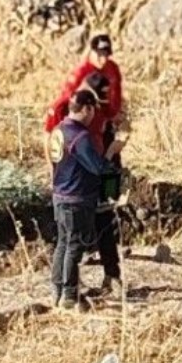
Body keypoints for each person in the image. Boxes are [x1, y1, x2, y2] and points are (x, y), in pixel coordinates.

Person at [48, 90, 124, 310]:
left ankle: (57, 289)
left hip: (60, 195)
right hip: (76, 197)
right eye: (93, 110)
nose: (94, 116)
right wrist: (111, 151)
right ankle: (69, 296)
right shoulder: (80, 137)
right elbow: (98, 167)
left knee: (63, 243)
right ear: (87, 108)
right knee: (73, 246)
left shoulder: (59, 130)